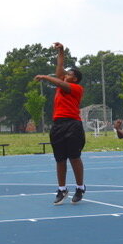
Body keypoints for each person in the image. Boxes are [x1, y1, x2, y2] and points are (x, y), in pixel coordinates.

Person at [34, 42, 86, 205]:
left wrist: (44, 76)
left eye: (68, 74)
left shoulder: (76, 88)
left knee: (74, 157)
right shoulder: (62, 83)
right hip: (58, 125)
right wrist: (61, 51)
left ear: (74, 78)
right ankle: (62, 189)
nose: (64, 75)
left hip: (73, 124)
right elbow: (59, 66)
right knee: (60, 159)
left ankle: (80, 187)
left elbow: (58, 81)